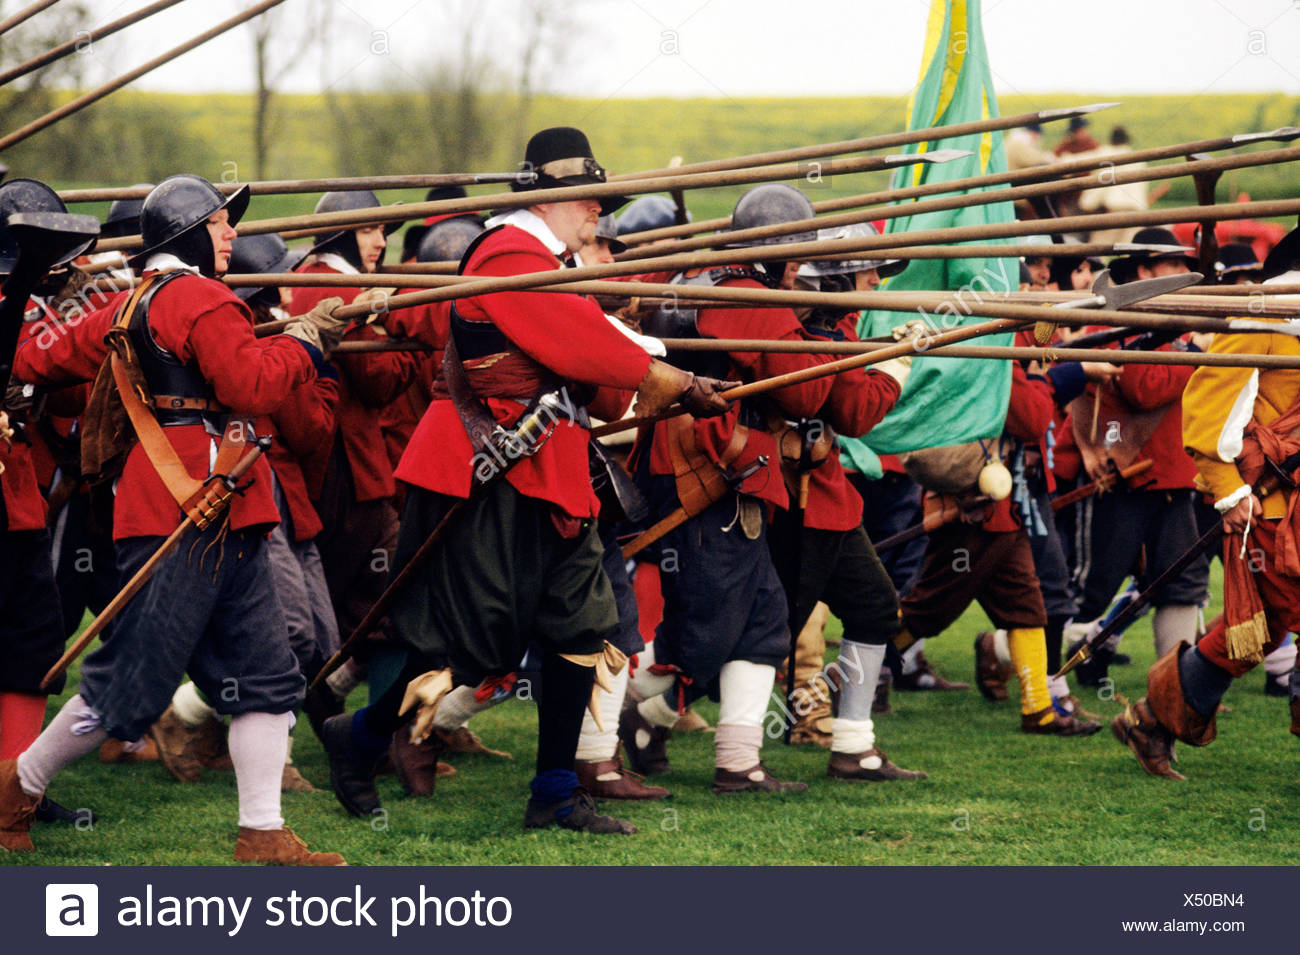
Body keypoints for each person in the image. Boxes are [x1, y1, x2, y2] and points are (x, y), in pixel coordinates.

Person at [318, 126, 730, 833]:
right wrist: (667, 374)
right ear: (547, 199)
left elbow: (593, 375)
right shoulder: (507, 252)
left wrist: (649, 361)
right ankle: (358, 736)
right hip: (483, 473)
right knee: (465, 644)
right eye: (589, 198)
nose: (599, 210)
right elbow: (575, 338)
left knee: (582, 626)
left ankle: (556, 793)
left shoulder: (554, 265)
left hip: (551, 473)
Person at [1, 174, 346, 863]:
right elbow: (251, 385)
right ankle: (15, 790)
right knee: (130, 681)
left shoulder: (130, 301)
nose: (232, 233)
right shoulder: (199, 296)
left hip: (215, 504)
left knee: (264, 673)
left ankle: (262, 831)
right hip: (186, 507)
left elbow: (36, 358)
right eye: (220, 222)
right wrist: (306, 344)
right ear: (188, 233)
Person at [619, 184, 834, 794]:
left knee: (763, 623)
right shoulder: (750, 298)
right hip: (708, 474)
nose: (799, 267)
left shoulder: (707, 281)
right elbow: (806, 394)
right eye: (793, 254)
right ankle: (611, 716)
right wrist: (821, 331)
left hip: (715, 474)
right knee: (703, 632)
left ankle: (738, 763)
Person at [1113, 249, 1300, 778]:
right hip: (1273, 507)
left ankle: (1152, 718)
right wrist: (1229, 490)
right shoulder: (1267, 310)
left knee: (1258, 631)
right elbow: (1208, 404)